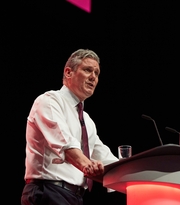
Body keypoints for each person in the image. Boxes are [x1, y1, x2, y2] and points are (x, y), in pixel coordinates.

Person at [21, 49, 119, 205]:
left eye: (97, 73)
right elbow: (66, 144)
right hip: (48, 192)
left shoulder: (87, 121)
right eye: (88, 70)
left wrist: (136, 174)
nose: (93, 77)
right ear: (68, 72)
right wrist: (89, 166)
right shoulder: (49, 101)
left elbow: (105, 158)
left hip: (75, 197)